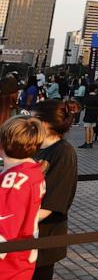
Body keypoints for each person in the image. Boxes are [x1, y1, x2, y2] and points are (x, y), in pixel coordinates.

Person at [31, 101, 78, 280]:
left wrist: (16, 222)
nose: (29, 123)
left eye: (33, 119)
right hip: (25, 231)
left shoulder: (63, 152)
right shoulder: (34, 147)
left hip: (45, 232)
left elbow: (55, 200)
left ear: (45, 123)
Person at [0, 116, 47, 280]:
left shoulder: (13, 181)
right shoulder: (33, 170)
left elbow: (4, 231)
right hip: (22, 260)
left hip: (7, 266)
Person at [79, 83, 98, 149]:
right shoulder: (97, 97)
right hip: (95, 114)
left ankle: (87, 142)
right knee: (92, 128)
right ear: (95, 89)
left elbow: (84, 105)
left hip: (88, 113)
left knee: (87, 128)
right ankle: (91, 142)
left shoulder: (87, 97)